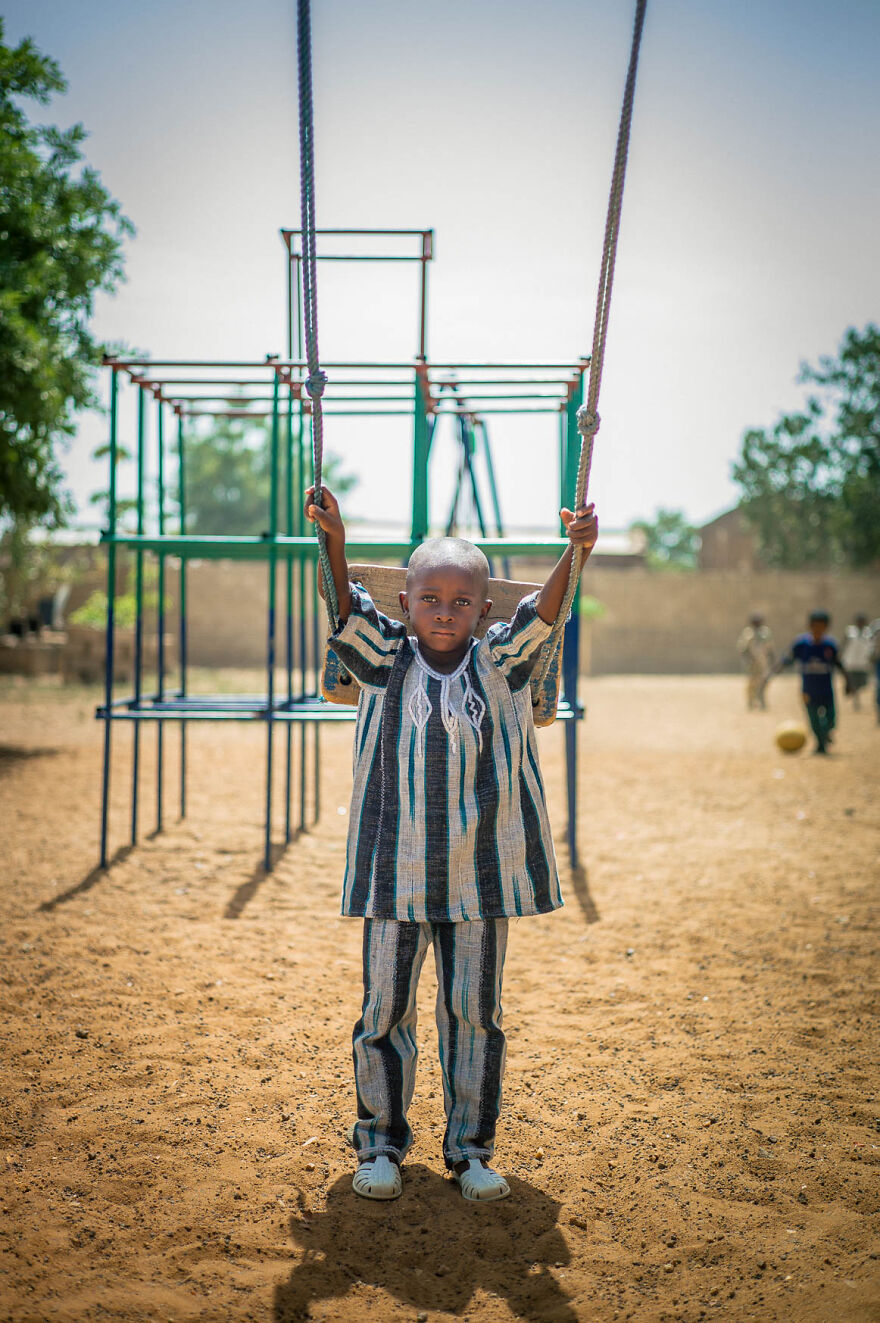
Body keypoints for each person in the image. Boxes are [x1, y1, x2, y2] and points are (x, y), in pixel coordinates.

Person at [305, 482, 598, 1203]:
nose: (444, 611)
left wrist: (576, 550)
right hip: (393, 874)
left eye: (460, 601)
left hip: (480, 876)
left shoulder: (500, 663)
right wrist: (334, 540)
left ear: (483, 609)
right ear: (404, 604)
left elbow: (546, 614)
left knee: (474, 1014)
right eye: (429, 598)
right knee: (384, 1013)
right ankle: (380, 1144)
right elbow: (342, 607)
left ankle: (471, 1149)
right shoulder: (381, 656)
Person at [775, 610, 849, 755]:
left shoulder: (830, 645)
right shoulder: (801, 644)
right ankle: (820, 745)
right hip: (808, 691)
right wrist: (775, 671)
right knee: (814, 720)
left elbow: (839, 664)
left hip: (826, 690)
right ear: (809, 626)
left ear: (826, 627)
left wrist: (848, 681)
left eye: (821, 626)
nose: (818, 629)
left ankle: (825, 734)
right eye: (815, 626)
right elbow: (787, 659)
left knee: (831, 719)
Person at [736, 612, 775, 710]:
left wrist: (771, 660)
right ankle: (751, 702)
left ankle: (762, 701)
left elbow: (770, 648)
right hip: (752, 663)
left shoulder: (765, 633)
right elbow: (743, 649)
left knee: (763, 682)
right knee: (752, 682)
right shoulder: (748, 633)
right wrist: (748, 660)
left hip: (763, 662)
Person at [841, 614, 873, 712]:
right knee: (853, 682)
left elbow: (870, 645)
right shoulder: (850, 632)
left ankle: (854, 693)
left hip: (862, 663)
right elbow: (844, 643)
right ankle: (856, 700)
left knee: (862, 683)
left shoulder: (868, 632)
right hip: (851, 662)